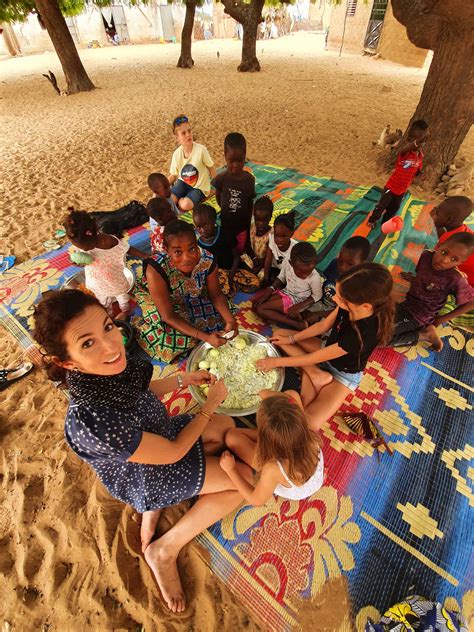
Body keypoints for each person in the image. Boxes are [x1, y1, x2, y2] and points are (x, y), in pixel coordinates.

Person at [33, 289, 252, 614]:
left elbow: (141, 389)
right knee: (243, 481)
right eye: (87, 343)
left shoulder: (106, 368)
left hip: (156, 436)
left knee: (222, 427)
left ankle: (153, 513)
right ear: (66, 362)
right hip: (151, 474)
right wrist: (208, 404)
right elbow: (174, 452)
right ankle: (164, 549)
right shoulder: (95, 421)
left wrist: (183, 379)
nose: (110, 346)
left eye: (108, 327)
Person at [256, 263, 394, 431]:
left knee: (308, 424)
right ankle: (315, 374)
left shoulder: (364, 333)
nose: (335, 299)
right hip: (324, 351)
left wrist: (276, 362)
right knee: (281, 334)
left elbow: (317, 357)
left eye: (341, 300)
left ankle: (313, 374)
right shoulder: (349, 305)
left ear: (365, 306)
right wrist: (292, 339)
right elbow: (322, 327)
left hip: (342, 374)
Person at [135, 220, 238, 362]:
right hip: (160, 300)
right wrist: (205, 337)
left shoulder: (207, 259)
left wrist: (230, 320)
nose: (187, 258)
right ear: (166, 249)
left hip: (189, 294)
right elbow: (168, 316)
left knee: (225, 317)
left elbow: (216, 294)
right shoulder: (156, 269)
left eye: (192, 249)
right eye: (178, 252)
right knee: (171, 342)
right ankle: (138, 324)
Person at [220, 390, 324, 505]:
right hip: (314, 479)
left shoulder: (272, 468)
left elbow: (256, 500)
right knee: (292, 394)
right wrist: (264, 393)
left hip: (294, 485)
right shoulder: (311, 436)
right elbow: (292, 398)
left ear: (266, 438)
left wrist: (231, 469)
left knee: (231, 437)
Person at [392, 234, 474, 351]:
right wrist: (414, 279)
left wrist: (441, 319)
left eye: (454, 259)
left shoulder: (455, 279)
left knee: (380, 339)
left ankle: (425, 334)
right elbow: (427, 279)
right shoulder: (425, 256)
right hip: (406, 302)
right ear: (439, 246)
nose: (444, 261)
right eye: (444, 252)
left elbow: (471, 302)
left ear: (460, 262)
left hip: (421, 315)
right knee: (372, 324)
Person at [64, 209, 142, 319]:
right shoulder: (82, 241)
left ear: (91, 237)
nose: (83, 250)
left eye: (83, 247)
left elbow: (127, 248)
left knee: (123, 299)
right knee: (103, 304)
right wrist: (77, 261)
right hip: (97, 282)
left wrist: (144, 255)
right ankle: (109, 316)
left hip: (115, 280)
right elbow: (79, 255)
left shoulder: (110, 242)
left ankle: (126, 311)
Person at [368, 119, 429, 228]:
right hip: (391, 187)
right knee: (381, 206)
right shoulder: (405, 151)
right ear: (409, 139)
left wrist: (421, 175)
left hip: (402, 190)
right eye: (415, 140)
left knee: (394, 208)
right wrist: (419, 141)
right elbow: (408, 147)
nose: (418, 144)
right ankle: (372, 220)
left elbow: (417, 171)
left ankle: (385, 223)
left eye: (421, 141)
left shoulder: (420, 156)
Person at [253, 242, 323, 330]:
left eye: (309, 271)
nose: (305, 275)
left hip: (298, 300)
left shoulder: (314, 277)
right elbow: (281, 277)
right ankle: (293, 315)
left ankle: (297, 324)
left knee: (261, 309)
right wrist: (270, 289)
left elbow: (317, 295)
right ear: (291, 263)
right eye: (301, 271)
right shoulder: (287, 261)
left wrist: (299, 306)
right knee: (256, 304)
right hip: (286, 292)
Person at [192, 203, 259, 295]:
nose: (202, 230)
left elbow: (236, 257)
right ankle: (232, 286)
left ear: (214, 221)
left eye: (205, 225)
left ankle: (232, 285)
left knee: (255, 282)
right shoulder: (200, 244)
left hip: (234, 269)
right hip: (218, 274)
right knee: (214, 287)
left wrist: (230, 276)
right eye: (198, 227)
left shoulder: (225, 234)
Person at [212, 133, 256, 256]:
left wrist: (248, 219)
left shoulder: (249, 180)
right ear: (225, 156)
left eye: (240, 160)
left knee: (240, 249)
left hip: (242, 224)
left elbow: (250, 201)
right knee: (227, 249)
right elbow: (218, 195)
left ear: (245, 156)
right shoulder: (221, 178)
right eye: (231, 161)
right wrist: (224, 208)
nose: (235, 165)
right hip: (226, 223)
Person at [169, 115, 216, 212]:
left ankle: (182, 200)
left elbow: (211, 167)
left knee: (185, 205)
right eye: (183, 133)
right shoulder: (176, 154)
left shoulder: (201, 150)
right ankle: (180, 199)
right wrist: (160, 188)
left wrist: (216, 187)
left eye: (189, 131)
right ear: (177, 138)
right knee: (169, 200)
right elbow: (173, 175)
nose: (188, 135)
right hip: (183, 183)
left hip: (199, 187)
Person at [431, 195, 473, 285]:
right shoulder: (463, 231)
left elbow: (434, 262)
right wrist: (436, 221)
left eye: (437, 213)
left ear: (449, 219)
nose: (434, 214)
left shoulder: (448, 244)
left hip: (468, 280)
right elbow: (444, 236)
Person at [321, 236, 371, 312]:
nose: (342, 267)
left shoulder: (361, 285)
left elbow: (346, 312)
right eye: (340, 260)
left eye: (350, 264)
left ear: (362, 264)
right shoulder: (334, 264)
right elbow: (321, 282)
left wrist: (319, 314)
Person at [261, 211, 297, 286]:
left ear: (292, 233)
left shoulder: (295, 248)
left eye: (284, 236)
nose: (279, 240)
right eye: (276, 235)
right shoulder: (271, 239)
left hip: (286, 273)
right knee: (264, 278)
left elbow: (292, 272)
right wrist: (266, 280)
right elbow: (268, 261)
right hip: (274, 269)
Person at [242, 195, 274, 276]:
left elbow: (268, 258)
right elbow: (247, 245)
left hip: (264, 263)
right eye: (258, 220)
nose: (261, 224)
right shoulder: (252, 227)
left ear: (270, 217)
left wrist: (258, 268)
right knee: (241, 259)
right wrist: (254, 258)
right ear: (254, 217)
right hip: (252, 257)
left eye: (264, 220)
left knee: (262, 274)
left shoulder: (272, 234)